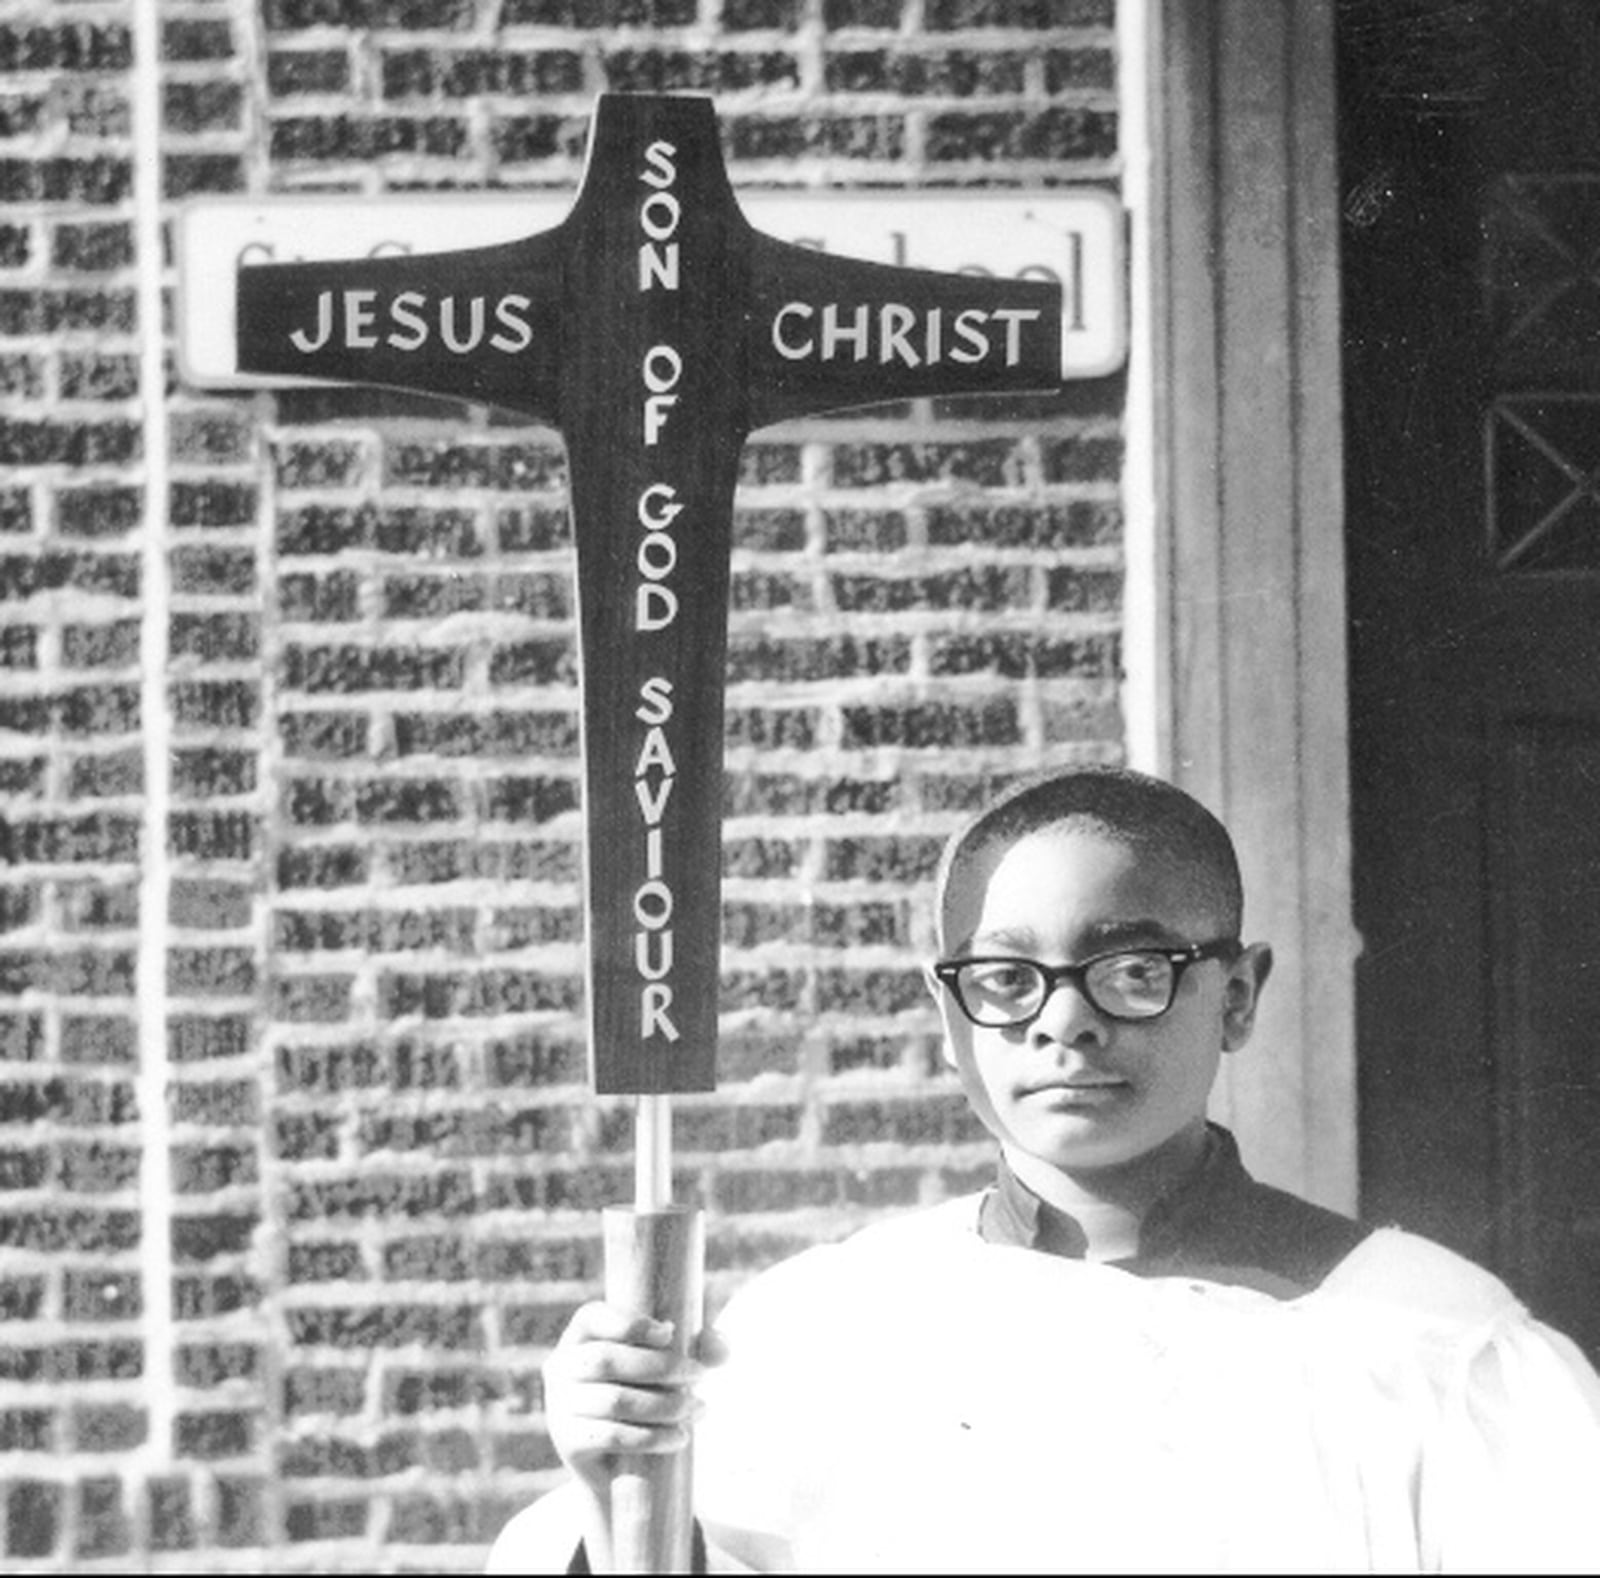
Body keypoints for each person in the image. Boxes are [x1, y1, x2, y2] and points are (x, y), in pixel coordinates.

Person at [487, 764, 1600, 1573]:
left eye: (1129, 969)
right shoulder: (820, 1333)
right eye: (1006, 980)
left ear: (1240, 994)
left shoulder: (1434, 1350)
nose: (1062, 1024)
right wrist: (613, 1487)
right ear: (948, 1014)